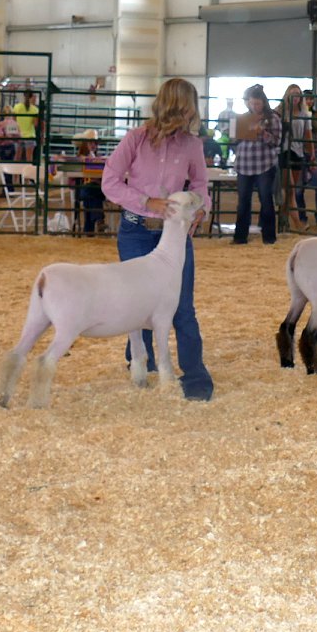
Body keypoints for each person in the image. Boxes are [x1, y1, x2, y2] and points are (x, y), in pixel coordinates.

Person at [100, 77, 215, 402]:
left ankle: (194, 376)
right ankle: (140, 360)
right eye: (189, 105)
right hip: (136, 229)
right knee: (137, 300)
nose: (192, 112)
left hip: (175, 235)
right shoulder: (136, 139)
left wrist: (201, 206)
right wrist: (146, 202)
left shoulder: (193, 144)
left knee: (182, 306)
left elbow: (201, 184)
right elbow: (109, 181)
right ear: (177, 104)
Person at [229, 84, 282, 245]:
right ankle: (240, 237)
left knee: (266, 199)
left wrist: (262, 133)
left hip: (264, 164)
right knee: (243, 201)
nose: (254, 106)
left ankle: (269, 237)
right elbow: (234, 141)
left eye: (257, 103)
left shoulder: (273, 118)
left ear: (263, 102)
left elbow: (276, 141)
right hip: (244, 164)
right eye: (251, 103)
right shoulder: (243, 118)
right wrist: (234, 134)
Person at [278, 84, 314, 230]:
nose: (295, 97)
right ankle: (298, 223)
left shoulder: (304, 114)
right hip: (284, 151)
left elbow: (308, 135)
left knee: (289, 190)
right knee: (290, 189)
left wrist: (311, 154)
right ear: (287, 95)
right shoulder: (280, 111)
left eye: (298, 94)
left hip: (298, 152)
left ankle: (283, 220)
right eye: (293, 94)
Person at [72, 128, 108, 235]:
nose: (93, 145)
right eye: (90, 143)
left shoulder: (98, 158)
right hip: (90, 188)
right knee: (90, 192)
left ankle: (89, 230)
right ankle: (99, 220)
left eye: (95, 143)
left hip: (92, 188)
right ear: (84, 144)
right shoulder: (80, 158)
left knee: (89, 192)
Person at [11, 89, 40, 163]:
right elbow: (36, 124)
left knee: (17, 157)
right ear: (32, 97)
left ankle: (15, 174)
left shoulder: (17, 107)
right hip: (30, 135)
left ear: (24, 96)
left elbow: (13, 121)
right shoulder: (35, 109)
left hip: (18, 135)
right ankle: (27, 174)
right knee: (29, 158)